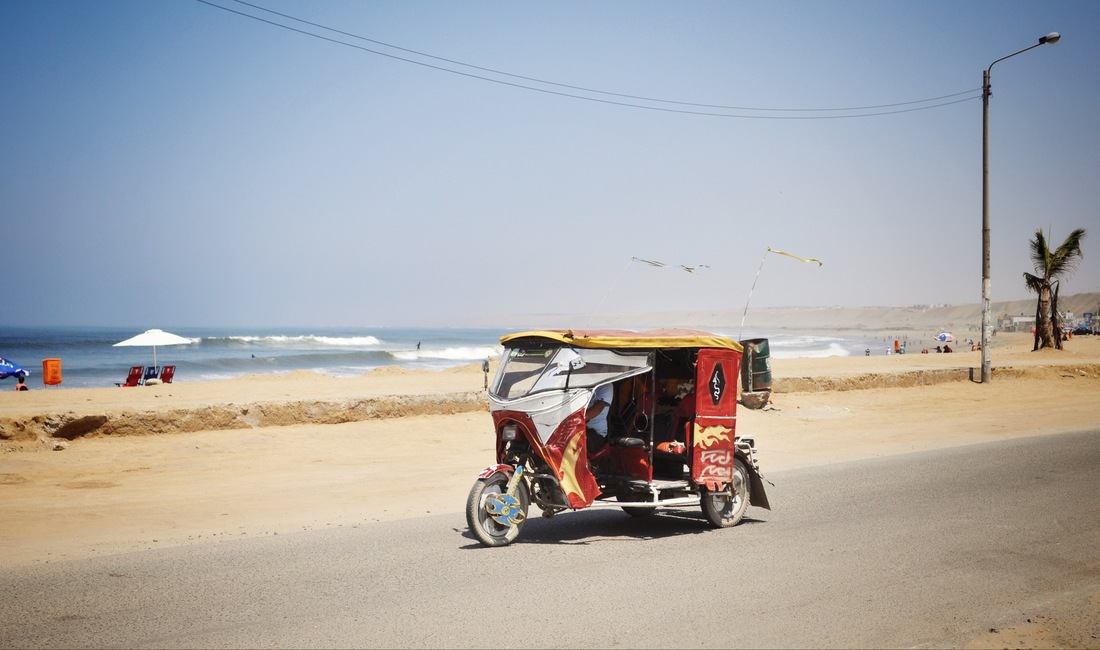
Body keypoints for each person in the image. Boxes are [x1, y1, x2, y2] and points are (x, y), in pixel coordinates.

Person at [585, 383, 613, 454]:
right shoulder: (582, 382)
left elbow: (597, 409)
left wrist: (576, 420)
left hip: (596, 433)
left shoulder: (606, 385)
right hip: (581, 428)